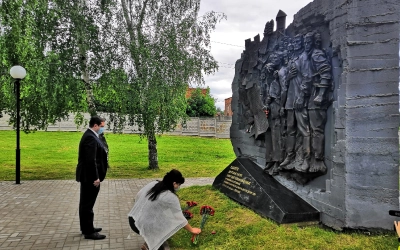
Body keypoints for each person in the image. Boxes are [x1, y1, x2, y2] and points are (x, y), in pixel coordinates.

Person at [128, 169, 201, 250]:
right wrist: (192, 230)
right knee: (167, 224)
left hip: (132, 219)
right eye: (179, 184)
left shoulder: (154, 183)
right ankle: (152, 245)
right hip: (141, 225)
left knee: (164, 218)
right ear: (174, 183)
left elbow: (138, 195)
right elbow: (179, 218)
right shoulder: (171, 197)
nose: (179, 187)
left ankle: (147, 245)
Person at [76, 116, 108, 240]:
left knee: (86, 204)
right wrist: (96, 177)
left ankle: (86, 227)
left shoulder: (91, 135)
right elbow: (91, 160)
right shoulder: (90, 137)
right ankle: (88, 232)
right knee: (87, 205)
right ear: (95, 125)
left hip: (87, 176)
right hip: (89, 177)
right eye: (102, 126)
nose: (103, 128)